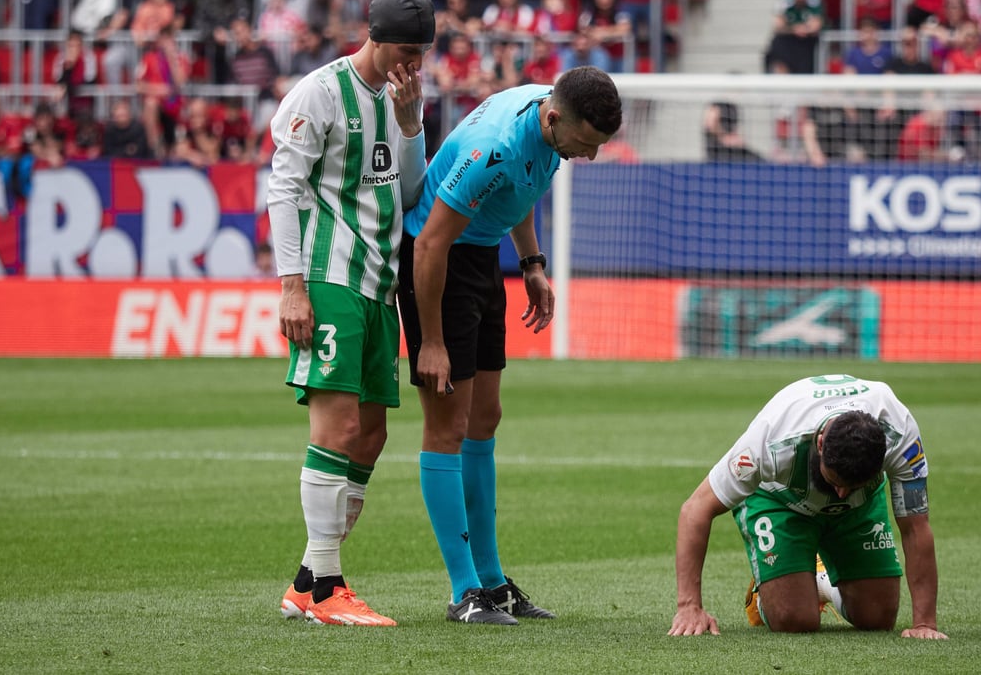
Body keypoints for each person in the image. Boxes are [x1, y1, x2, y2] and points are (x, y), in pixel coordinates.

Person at [399, 66, 622, 625]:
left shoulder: (548, 121)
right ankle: (463, 591)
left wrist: (531, 263)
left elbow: (522, 189)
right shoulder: (493, 147)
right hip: (440, 264)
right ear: (554, 119)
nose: (589, 157)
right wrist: (431, 342)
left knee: (486, 417)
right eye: (586, 145)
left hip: (483, 256)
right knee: (447, 425)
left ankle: (493, 582)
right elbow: (428, 245)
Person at [268, 0, 433, 628]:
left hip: (379, 284)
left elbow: (412, 188)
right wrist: (291, 285)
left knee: (372, 433)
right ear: (377, 37)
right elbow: (282, 187)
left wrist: (414, 123)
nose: (414, 64)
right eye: (406, 52)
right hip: (329, 275)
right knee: (336, 430)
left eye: (422, 54)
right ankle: (328, 588)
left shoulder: (403, 98)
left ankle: (308, 582)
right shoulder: (318, 93)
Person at [668, 374, 946, 640]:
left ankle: (820, 579)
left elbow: (916, 527)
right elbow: (695, 510)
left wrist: (924, 623)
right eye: (836, 481)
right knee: (794, 620)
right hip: (779, 501)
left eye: (853, 485)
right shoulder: (770, 442)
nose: (841, 494)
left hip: (858, 510)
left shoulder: (900, 435)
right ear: (821, 443)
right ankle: (768, 589)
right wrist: (689, 607)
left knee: (877, 617)